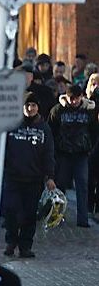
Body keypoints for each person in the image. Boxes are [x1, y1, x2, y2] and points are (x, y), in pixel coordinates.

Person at [3, 94, 56, 258]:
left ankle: (25, 246)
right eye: (27, 105)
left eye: (33, 105)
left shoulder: (44, 128)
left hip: (33, 179)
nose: (30, 108)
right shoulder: (11, 125)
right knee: (11, 211)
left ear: (38, 107)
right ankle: (11, 241)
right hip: (12, 177)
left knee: (29, 215)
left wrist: (50, 176)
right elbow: (2, 149)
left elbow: (48, 153)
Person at [48, 84, 98, 227]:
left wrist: (88, 148)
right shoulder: (58, 110)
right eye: (71, 98)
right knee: (60, 186)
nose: (73, 101)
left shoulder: (89, 111)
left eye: (76, 98)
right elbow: (51, 129)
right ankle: (56, 218)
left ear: (81, 97)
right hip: (63, 154)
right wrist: (56, 149)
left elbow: (94, 131)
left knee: (82, 186)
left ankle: (82, 220)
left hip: (81, 155)